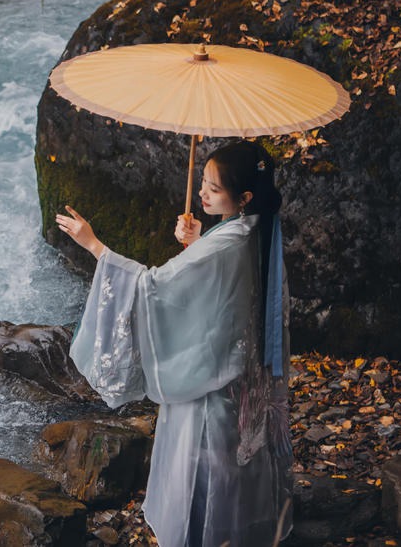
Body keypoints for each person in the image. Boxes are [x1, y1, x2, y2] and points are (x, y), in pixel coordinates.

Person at [55, 140, 293, 547]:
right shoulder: (257, 227)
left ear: (244, 198)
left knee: (204, 461)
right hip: (239, 366)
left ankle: (200, 533)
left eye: (213, 189)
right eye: (202, 183)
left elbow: (152, 287)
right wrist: (200, 239)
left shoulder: (227, 241)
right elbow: (230, 283)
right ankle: (240, 529)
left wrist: (94, 245)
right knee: (232, 461)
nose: (202, 194)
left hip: (210, 373)